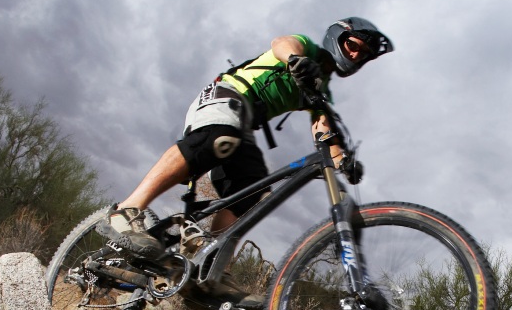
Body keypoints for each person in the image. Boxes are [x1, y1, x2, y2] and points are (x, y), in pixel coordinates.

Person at [101, 17, 394, 259]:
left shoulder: (320, 93)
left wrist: (343, 162)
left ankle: (209, 263)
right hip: (226, 96)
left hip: (244, 128)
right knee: (221, 137)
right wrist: (296, 60)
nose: (356, 55)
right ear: (337, 37)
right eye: (353, 45)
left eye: (363, 54)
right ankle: (128, 210)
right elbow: (282, 43)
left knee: (253, 193)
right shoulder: (306, 49)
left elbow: (323, 130)